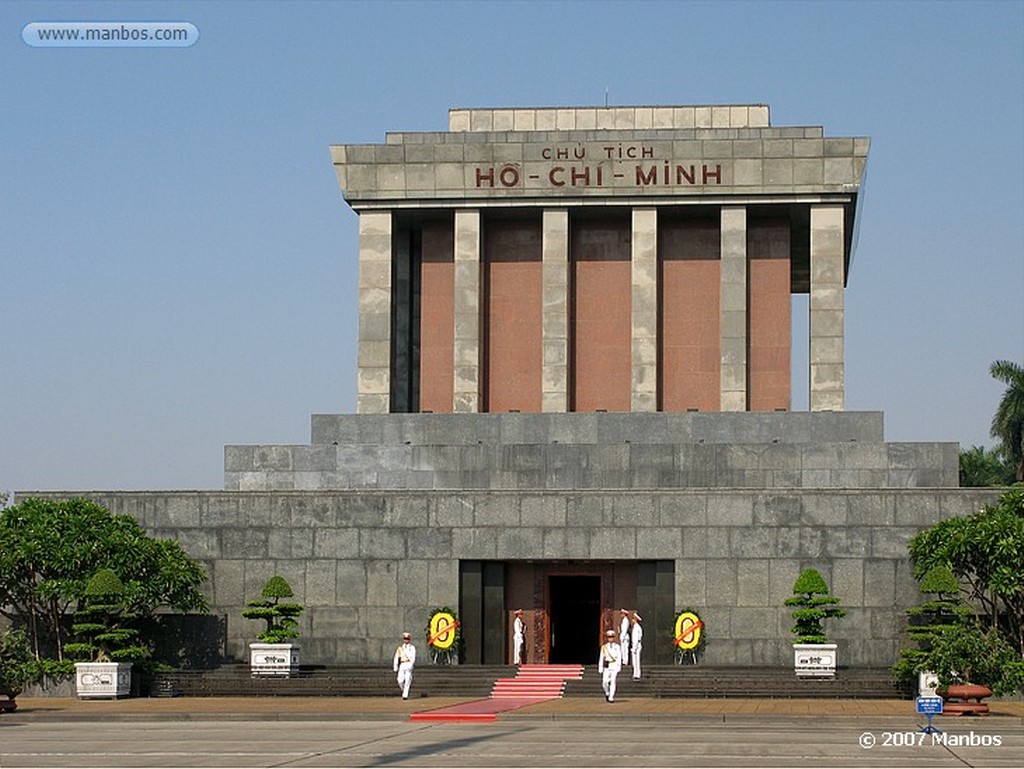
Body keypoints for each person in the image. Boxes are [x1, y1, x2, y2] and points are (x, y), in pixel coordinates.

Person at [598, 629, 623, 702]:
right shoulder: (604, 647)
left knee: (613, 681)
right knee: (604, 682)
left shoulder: (617, 646)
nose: (610, 638)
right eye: (609, 637)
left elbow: (619, 656)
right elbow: (601, 657)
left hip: (614, 665)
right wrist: (600, 667)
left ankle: (611, 697)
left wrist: (619, 666)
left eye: (612, 637)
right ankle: (607, 692)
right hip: (607, 666)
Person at [393, 631, 416, 700]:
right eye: (405, 639)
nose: (406, 640)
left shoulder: (412, 648)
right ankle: (405, 691)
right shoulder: (400, 648)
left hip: (408, 663)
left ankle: (405, 695)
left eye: (407, 639)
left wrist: (411, 665)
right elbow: (396, 657)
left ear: (409, 639)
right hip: (402, 664)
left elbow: (413, 657)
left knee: (408, 679)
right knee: (400, 680)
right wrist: (395, 667)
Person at [630, 612, 643, 680]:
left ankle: (637, 674)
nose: (632, 620)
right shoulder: (636, 627)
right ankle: (636, 673)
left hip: (636, 646)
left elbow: (636, 638)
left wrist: (634, 648)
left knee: (636, 660)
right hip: (637, 645)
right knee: (635, 661)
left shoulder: (636, 628)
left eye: (633, 619)